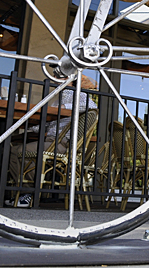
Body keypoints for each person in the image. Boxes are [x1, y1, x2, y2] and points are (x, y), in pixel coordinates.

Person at [6, 74, 98, 208]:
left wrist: (64, 107)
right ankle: (24, 193)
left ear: (70, 80)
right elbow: (48, 124)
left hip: (61, 144)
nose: (55, 78)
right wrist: (28, 124)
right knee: (15, 150)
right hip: (51, 141)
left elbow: (92, 107)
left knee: (19, 151)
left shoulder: (78, 95)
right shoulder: (57, 100)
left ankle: (28, 194)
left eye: (60, 76)